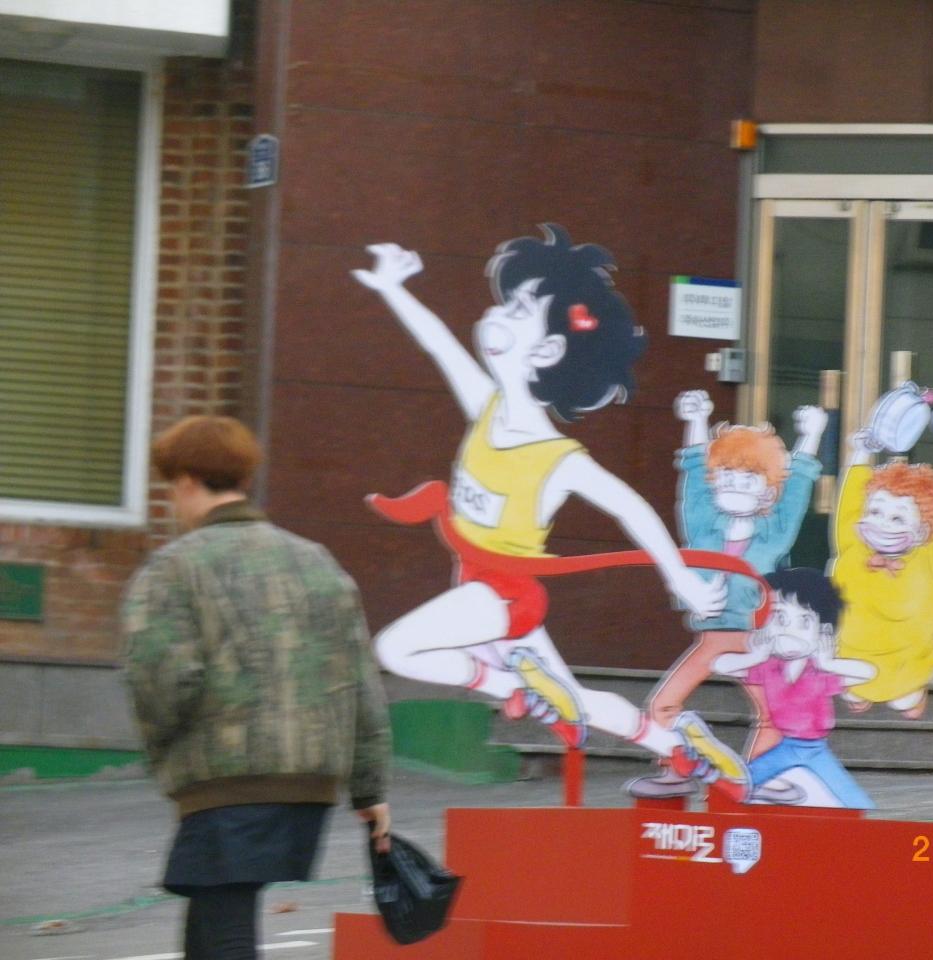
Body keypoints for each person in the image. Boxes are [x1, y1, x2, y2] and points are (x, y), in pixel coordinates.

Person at [354, 227, 751, 800]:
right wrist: (393, 288)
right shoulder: (487, 408)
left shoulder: (557, 459)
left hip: (503, 596)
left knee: (396, 648)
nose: (495, 314)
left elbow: (631, 507)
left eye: (517, 309)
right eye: (506, 302)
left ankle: (512, 685)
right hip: (485, 590)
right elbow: (440, 345)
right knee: (578, 704)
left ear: (547, 351)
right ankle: (681, 748)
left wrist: (681, 579)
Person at [121, 415, 392, 959]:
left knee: (225, 934)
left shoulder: (174, 568)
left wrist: (164, 756)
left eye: (171, 486)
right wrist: (370, 790)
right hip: (309, 784)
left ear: (187, 482)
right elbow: (358, 678)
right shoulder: (316, 561)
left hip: (225, 784)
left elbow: (162, 682)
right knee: (210, 922)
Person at [627, 390, 825, 799]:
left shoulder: (774, 532)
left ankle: (761, 779)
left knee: (774, 713)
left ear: (767, 492)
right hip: (712, 638)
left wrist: (812, 435)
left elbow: (797, 490)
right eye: (727, 478)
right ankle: (676, 770)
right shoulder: (704, 525)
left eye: (747, 480)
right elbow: (694, 476)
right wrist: (697, 420)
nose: (734, 487)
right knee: (663, 705)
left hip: (756, 638)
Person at [831, 427, 933, 719]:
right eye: (875, 512)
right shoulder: (853, 546)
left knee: (905, 700)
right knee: (852, 687)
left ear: (922, 531)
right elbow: (850, 505)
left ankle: (900, 696)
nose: (882, 524)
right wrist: (861, 454)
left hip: (906, 662)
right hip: (854, 655)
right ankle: (864, 695)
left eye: (898, 518)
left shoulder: (930, 559)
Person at [712, 568, 877, 807]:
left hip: (816, 749)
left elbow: (868, 672)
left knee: (855, 801)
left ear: (823, 632)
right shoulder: (767, 667)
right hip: (784, 747)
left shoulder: (819, 671)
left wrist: (828, 663)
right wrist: (755, 656)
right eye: (779, 618)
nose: (789, 630)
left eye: (804, 622)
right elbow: (720, 665)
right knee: (741, 785)